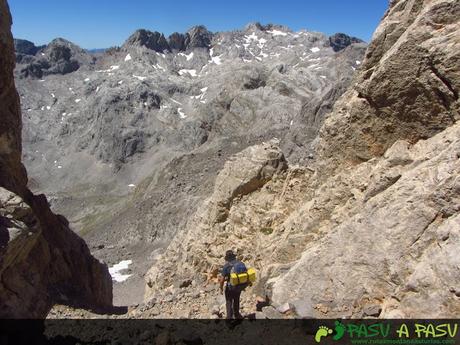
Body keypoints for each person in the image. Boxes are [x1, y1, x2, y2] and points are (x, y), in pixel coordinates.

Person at [218, 250, 247, 319]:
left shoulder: (226, 266)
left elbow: (222, 280)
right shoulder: (241, 263)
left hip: (230, 287)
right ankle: (237, 315)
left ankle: (229, 318)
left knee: (229, 302)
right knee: (236, 300)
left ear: (227, 258)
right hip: (239, 286)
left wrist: (221, 288)